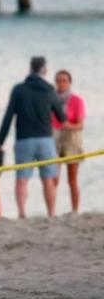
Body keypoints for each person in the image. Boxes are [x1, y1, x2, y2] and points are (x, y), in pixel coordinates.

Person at [0, 56, 66, 218]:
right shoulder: (50, 90)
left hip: (24, 140)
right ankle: (52, 213)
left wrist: (0, 141)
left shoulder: (18, 89)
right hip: (45, 140)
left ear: (30, 69)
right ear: (45, 71)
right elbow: (61, 118)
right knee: (48, 179)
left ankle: (22, 213)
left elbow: (8, 117)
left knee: (22, 179)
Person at [52, 69, 86, 213]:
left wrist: (68, 125)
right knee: (53, 179)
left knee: (72, 180)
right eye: (58, 80)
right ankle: (52, 210)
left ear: (69, 83)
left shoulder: (77, 100)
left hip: (72, 138)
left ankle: (75, 210)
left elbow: (80, 125)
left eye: (64, 80)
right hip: (54, 137)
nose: (61, 83)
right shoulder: (50, 99)